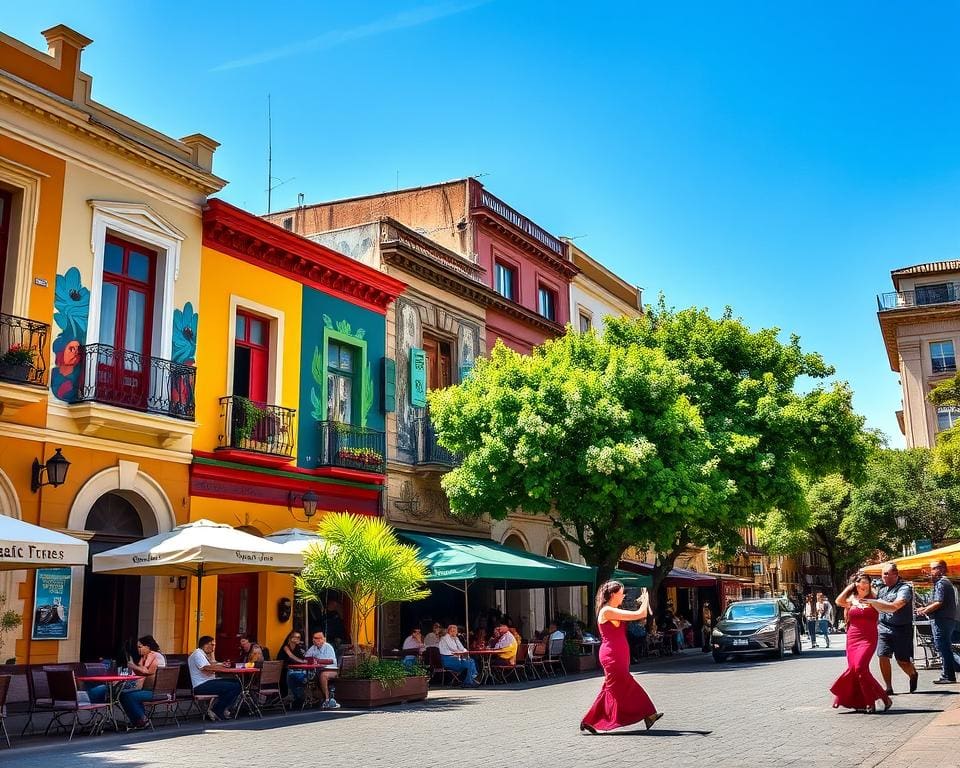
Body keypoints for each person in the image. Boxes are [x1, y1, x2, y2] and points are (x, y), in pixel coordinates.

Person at [580, 582, 662, 734]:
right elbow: (640, 614)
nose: (623, 596)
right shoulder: (606, 611)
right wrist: (645, 600)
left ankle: (589, 721)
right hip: (612, 655)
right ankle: (649, 713)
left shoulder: (614, 610)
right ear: (612, 594)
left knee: (611, 687)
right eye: (621, 593)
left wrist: (643, 601)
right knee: (625, 683)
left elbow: (638, 617)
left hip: (619, 654)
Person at [829, 573, 892, 713]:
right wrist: (849, 587)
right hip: (853, 638)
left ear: (870, 585)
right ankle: (883, 699)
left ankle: (874, 701)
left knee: (859, 668)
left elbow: (889, 608)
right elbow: (838, 601)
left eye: (865, 583)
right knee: (857, 671)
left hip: (868, 638)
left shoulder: (875, 600)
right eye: (859, 582)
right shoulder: (852, 600)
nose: (862, 585)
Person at [870, 562, 918, 695]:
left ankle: (913, 673)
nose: (884, 577)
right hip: (884, 627)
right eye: (882, 574)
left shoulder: (904, 588)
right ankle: (889, 687)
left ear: (895, 574)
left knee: (902, 660)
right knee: (882, 655)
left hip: (901, 628)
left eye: (886, 574)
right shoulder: (881, 590)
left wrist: (887, 606)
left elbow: (898, 604)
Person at [917, 559, 958, 685]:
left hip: (942, 620)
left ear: (941, 569)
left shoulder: (941, 583)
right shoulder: (944, 583)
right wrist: (925, 608)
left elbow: (938, 602)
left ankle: (948, 675)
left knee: (943, 647)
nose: (931, 571)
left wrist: (924, 611)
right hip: (946, 619)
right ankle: (948, 674)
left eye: (933, 568)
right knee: (944, 646)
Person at [188, 636, 242, 721]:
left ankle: (221, 708)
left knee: (237, 683)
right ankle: (217, 710)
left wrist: (221, 664)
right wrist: (221, 668)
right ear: (205, 645)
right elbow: (206, 667)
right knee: (234, 686)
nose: (213, 647)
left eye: (214, 645)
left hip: (208, 682)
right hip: (201, 685)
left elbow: (211, 664)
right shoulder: (197, 654)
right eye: (212, 645)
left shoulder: (202, 654)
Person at [304, 630, 340, 709]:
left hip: (332, 669)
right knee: (304, 676)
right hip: (318, 670)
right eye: (314, 638)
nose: (315, 640)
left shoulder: (328, 647)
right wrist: (310, 660)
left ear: (323, 639)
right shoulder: (313, 648)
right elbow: (306, 658)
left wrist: (318, 661)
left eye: (318, 638)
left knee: (323, 675)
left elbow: (331, 661)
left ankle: (327, 699)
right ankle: (313, 698)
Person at [279, 630, 308, 707]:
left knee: (302, 676)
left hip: (297, 668)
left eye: (298, 637)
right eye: (295, 637)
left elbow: (305, 657)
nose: (297, 639)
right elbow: (291, 656)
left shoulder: (299, 647)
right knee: (291, 674)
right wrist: (302, 662)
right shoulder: (286, 647)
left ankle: (298, 697)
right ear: (290, 638)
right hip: (284, 669)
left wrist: (302, 649)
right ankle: (293, 696)